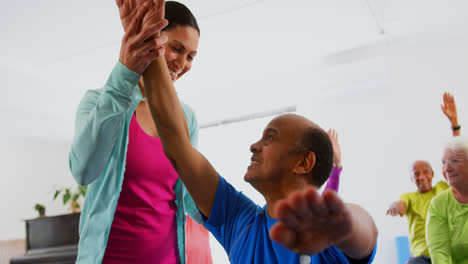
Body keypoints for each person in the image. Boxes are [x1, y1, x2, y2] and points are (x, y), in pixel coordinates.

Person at [136, 4, 378, 263]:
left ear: (304, 162)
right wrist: (148, 37)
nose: (254, 146)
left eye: (270, 138)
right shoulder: (237, 219)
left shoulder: (328, 236)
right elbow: (178, 148)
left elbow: (365, 233)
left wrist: (338, 223)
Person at [69, 1, 211, 263]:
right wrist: (124, 74)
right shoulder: (97, 101)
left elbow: (190, 195)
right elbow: (83, 170)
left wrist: (249, 221)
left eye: (190, 56)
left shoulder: (186, 117)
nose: (182, 63)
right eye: (176, 48)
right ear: (152, 41)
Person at [386, 92, 460, 264]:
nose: (421, 177)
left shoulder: (443, 188)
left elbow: (458, 163)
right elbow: (400, 204)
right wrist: (394, 206)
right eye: (416, 174)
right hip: (422, 259)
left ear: (433, 173)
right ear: (412, 179)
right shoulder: (410, 197)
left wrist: (454, 124)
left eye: (425, 171)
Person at [426, 137, 468, 263]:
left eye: (454, 161)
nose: (447, 169)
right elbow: (439, 252)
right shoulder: (439, 204)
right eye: (444, 163)